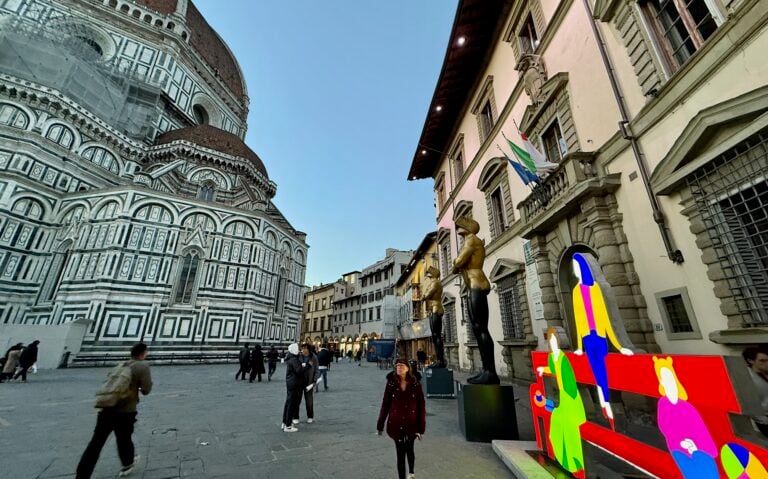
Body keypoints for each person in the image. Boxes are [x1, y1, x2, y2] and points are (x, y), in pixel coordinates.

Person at [571, 253, 633, 429]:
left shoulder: (596, 288)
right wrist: (578, 346)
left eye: (577, 266)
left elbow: (606, 319)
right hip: (587, 339)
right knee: (595, 370)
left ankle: (607, 404)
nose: (575, 270)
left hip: (600, 337)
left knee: (602, 371)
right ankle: (605, 404)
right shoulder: (576, 291)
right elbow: (577, 320)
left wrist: (620, 346)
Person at [76, 343, 152, 478]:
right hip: (125, 411)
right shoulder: (142, 366)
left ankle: (82, 475)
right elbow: (146, 389)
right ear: (143, 353)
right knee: (124, 438)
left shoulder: (121, 365)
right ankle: (127, 463)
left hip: (107, 408)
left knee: (96, 443)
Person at [452, 216, 499, 384]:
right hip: (473, 284)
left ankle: (490, 372)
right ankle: (486, 370)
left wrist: (456, 263)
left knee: (481, 327)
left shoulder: (471, 240)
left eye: (460, 227)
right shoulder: (470, 240)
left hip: (476, 284)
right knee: (478, 328)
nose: (458, 231)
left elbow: (459, 261)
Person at [537, 328, 586, 479]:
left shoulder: (564, 358)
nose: (552, 343)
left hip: (569, 399)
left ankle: (574, 463)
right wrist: (542, 368)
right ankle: (563, 459)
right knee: (555, 430)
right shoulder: (552, 358)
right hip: (561, 399)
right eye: (550, 340)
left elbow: (570, 383)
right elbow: (551, 369)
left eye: (554, 340)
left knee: (568, 429)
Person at [376, 358, 426, 479]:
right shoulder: (391, 383)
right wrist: (380, 425)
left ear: (408, 368)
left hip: (411, 423)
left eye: (402, 366)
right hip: (396, 423)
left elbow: (421, 406)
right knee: (400, 453)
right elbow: (385, 404)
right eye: (397, 366)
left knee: (410, 449)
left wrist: (420, 428)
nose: (399, 367)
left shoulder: (415, 383)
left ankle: (411, 471)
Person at [422, 266, 446, 368]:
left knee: (437, 335)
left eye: (429, 275)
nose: (428, 277)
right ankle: (439, 359)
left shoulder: (435, 283)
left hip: (436, 308)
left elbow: (427, 295)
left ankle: (441, 360)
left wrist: (425, 294)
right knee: (435, 336)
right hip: (433, 309)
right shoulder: (434, 283)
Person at [743, 345, 768, 436]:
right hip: (764, 420)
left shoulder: (765, 372)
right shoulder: (748, 379)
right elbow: (749, 405)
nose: (767, 363)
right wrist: (765, 422)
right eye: (762, 361)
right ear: (750, 361)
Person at [281, 343, 306, 432]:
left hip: (291, 383)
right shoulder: (294, 359)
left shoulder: (290, 358)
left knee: (288, 403)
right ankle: (288, 426)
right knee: (292, 404)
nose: (299, 350)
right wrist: (306, 366)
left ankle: (284, 422)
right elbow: (299, 371)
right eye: (297, 348)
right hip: (295, 384)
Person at [294, 343, 318, 424]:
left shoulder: (313, 357)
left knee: (309, 401)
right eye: (302, 348)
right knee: (297, 400)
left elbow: (317, 370)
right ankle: (296, 417)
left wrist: (314, 380)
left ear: (308, 349)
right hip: (299, 381)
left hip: (309, 382)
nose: (303, 350)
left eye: (305, 348)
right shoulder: (299, 357)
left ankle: (310, 416)